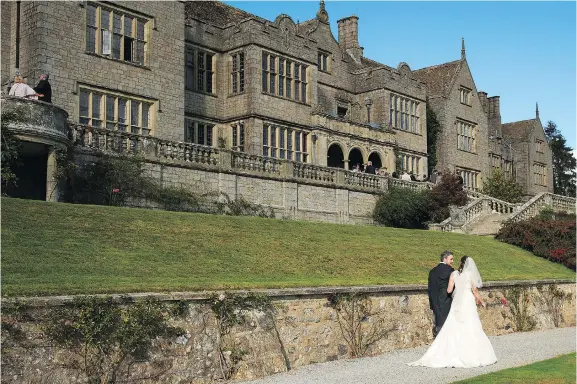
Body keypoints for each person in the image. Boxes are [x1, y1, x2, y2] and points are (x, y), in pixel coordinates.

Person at [408, 256, 497, 368]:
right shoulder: (469, 275)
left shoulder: (454, 274)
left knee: (454, 324)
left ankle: (450, 351)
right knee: (470, 324)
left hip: (457, 302)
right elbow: (475, 291)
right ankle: (473, 353)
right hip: (467, 301)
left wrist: (456, 288)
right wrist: (482, 301)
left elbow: (449, 290)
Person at [427, 250, 454, 337]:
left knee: (438, 324)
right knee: (446, 326)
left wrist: (432, 304)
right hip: (446, 302)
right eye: (451, 259)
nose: (452, 261)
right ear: (445, 259)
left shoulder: (432, 271)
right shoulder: (450, 270)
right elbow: (452, 288)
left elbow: (430, 289)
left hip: (435, 302)